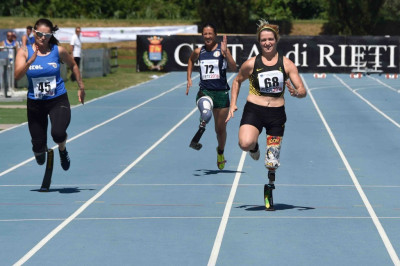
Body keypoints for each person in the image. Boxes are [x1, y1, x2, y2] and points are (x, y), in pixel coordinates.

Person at [225, 19, 307, 211]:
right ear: (259, 42)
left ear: (276, 40)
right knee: (244, 143)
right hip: (254, 110)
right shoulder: (251, 63)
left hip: (276, 115)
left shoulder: (286, 64)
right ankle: (254, 148)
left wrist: (296, 93)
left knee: (272, 162)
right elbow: (237, 81)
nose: (267, 43)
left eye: (270, 39)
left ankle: (269, 187)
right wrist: (233, 104)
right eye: (264, 40)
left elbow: (302, 90)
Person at [14, 18, 85, 172]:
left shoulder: (57, 50)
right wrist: (29, 62)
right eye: (39, 34)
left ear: (51, 34)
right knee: (39, 153)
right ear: (34, 32)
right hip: (35, 103)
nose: (43, 38)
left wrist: (81, 86)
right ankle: (41, 145)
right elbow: (17, 76)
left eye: (47, 35)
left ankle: (62, 149)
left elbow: (73, 65)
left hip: (57, 100)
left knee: (58, 134)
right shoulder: (24, 51)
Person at [186, 23, 237, 170]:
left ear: (215, 35)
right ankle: (201, 127)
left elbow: (234, 68)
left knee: (220, 130)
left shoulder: (222, 50)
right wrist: (189, 78)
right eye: (205, 34)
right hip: (205, 91)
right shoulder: (199, 51)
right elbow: (190, 60)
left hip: (221, 94)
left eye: (210, 34)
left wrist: (226, 53)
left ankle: (220, 152)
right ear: (202, 35)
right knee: (206, 112)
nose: (207, 36)